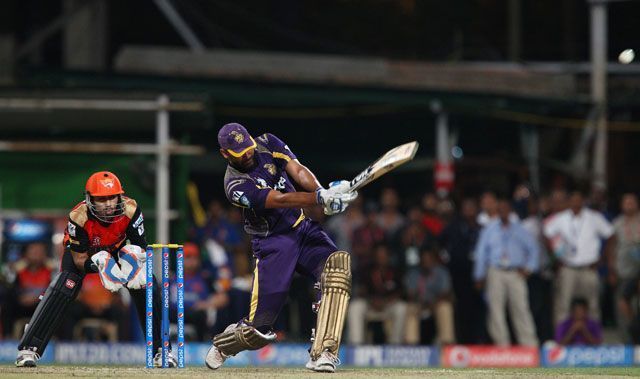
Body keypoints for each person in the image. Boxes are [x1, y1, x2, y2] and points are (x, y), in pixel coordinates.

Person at [205, 123, 357, 373]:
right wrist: (318, 199)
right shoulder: (234, 186)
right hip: (273, 244)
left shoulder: (267, 142)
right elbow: (279, 200)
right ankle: (224, 345)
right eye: (239, 152)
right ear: (225, 154)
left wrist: (322, 192)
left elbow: (297, 170)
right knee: (259, 330)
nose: (247, 153)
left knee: (336, 268)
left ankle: (323, 352)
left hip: (302, 228)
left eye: (248, 146)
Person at [15, 171, 171, 367]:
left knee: (148, 284)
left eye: (112, 198)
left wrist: (134, 265)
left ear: (120, 196)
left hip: (117, 250)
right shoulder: (78, 216)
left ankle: (162, 351)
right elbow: (79, 259)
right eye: (101, 199)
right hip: (85, 255)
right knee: (65, 286)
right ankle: (29, 350)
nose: (108, 204)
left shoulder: (131, 209)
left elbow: (140, 246)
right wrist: (99, 265)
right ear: (90, 199)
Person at [474, 198, 539, 346]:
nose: (503, 212)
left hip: (515, 272)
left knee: (521, 308)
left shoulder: (519, 229)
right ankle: (502, 346)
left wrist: (529, 268)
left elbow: (533, 249)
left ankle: (529, 345)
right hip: (495, 271)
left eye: (505, 209)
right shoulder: (489, 229)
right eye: (500, 209)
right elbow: (481, 253)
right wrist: (479, 275)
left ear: (510, 211)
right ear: (497, 212)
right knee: (496, 309)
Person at [543, 191, 614, 324]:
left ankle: (594, 340)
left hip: (589, 267)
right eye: (573, 200)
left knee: (592, 304)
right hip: (568, 267)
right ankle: (561, 339)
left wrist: (602, 258)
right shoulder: (561, 218)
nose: (576, 203)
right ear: (569, 202)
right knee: (563, 304)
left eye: (579, 200)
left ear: (583, 201)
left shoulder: (594, 217)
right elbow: (546, 234)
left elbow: (610, 234)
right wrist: (554, 258)